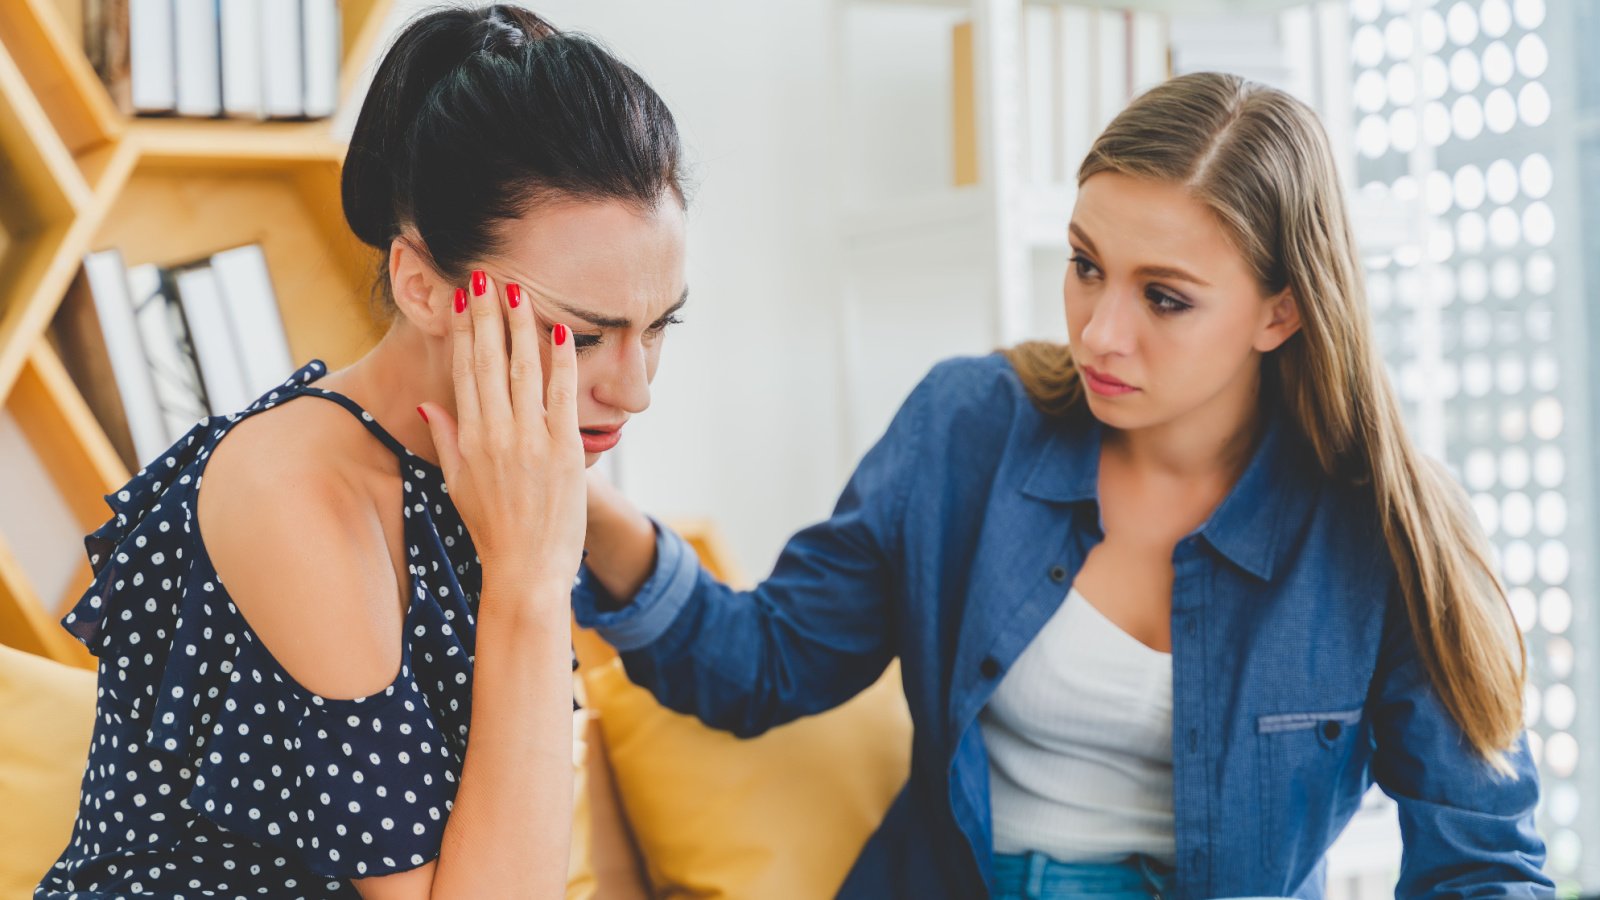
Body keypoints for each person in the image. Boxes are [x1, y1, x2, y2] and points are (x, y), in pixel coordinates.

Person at [576, 72, 1553, 898]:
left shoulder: (1383, 535)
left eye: (1162, 297)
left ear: (1281, 312)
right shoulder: (969, 429)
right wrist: (576, 504)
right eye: (1086, 267)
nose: (1098, 332)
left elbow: (1482, 865)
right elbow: (766, 664)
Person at [37, 6, 687, 898]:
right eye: (578, 336)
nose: (636, 387)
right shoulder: (298, 493)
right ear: (422, 285)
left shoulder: (498, 469)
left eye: (660, 327)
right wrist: (530, 585)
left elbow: (731, 642)